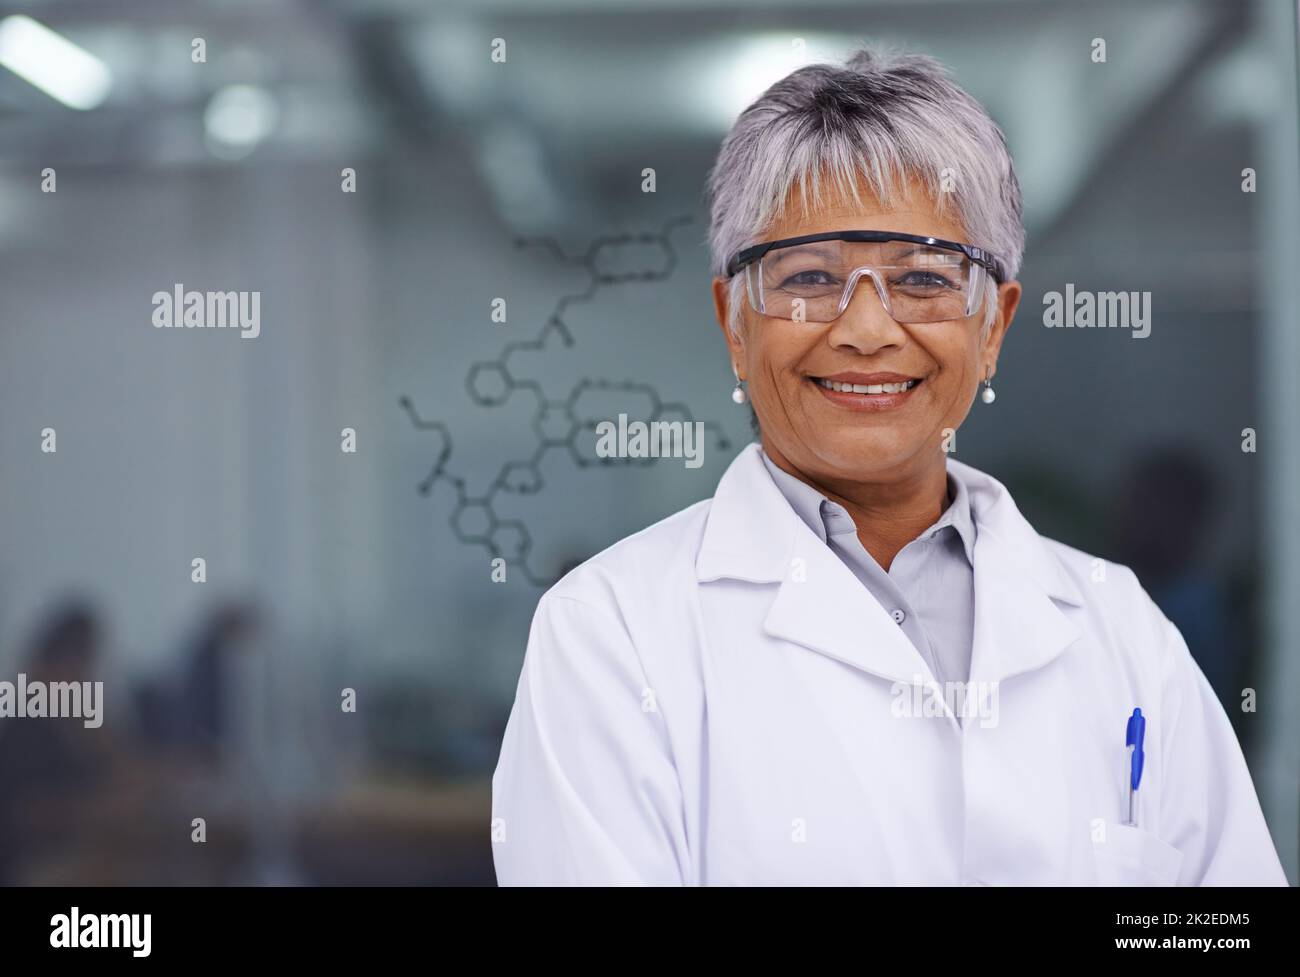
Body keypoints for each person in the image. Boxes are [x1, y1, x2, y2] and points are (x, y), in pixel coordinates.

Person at [490, 46, 1286, 885]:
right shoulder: (610, 636)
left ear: (993, 328)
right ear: (734, 321)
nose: (867, 328)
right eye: (809, 276)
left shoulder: (1123, 631)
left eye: (922, 278)